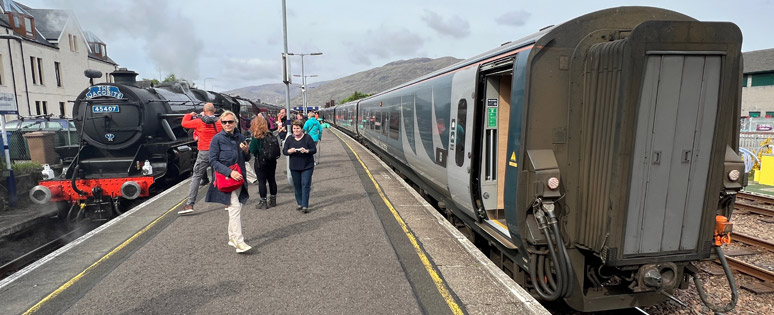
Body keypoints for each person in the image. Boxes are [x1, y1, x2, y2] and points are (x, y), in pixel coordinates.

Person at [206, 110, 252, 253]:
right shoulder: (217, 139)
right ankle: (239, 242)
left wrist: (245, 151)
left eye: (230, 122)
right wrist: (229, 172)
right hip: (226, 178)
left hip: (239, 178)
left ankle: (232, 237)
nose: (227, 124)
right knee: (235, 208)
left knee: (235, 209)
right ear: (221, 123)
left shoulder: (240, 137)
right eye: (224, 122)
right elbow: (212, 161)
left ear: (235, 123)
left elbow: (248, 158)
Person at [179, 103, 222, 215]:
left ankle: (190, 204)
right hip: (217, 151)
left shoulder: (199, 121)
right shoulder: (219, 121)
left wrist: (189, 114)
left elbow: (184, 123)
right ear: (215, 110)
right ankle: (227, 202)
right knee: (221, 174)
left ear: (204, 110)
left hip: (204, 152)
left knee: (196, 176)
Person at [283, 120, 316, 213]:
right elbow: (284, 151)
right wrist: (290, 151)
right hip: (294, 166)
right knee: (297, 186)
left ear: (301, 129)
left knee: (305, 184)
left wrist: (306, 151)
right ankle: (300, 203)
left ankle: (305, 205)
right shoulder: (289, 139)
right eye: (294, 128)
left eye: (298, 128)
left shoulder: (307, 138)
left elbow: (314, 149)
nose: (296, 130)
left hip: (307, 166)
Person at [249, 115, 278, 209]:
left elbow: (252, 150)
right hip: (272, 161)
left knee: (262, 182)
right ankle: (273, 200)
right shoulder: (270, 134)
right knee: (272, 180)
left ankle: (263, 201)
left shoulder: (256, 137)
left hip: (260, 162)